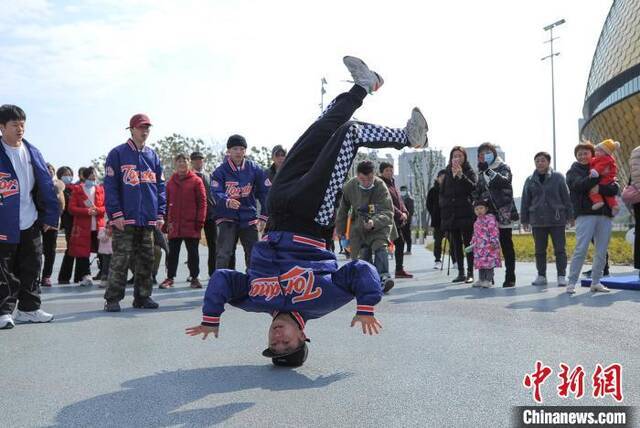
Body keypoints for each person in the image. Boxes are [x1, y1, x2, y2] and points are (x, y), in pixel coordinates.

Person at [186, 56, 428, 366]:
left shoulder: (255, 300)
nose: (277, 338)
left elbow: (222, 278)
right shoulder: (324, 301)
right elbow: (360, 271)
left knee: (318, 130)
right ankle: (410, 138)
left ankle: (364, 86)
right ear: (303, 337)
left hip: (277, 212)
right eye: (286, 344)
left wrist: (211, 316)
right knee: (349, 135)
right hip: (314, 220)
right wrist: (366, 306)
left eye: (273, 344)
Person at [0, 104, 57, 329]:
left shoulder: (33, 152)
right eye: (15, 125)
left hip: (31, 220)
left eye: (23, 124)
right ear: (2, 127)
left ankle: (29, 309)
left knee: (32, 265)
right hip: (4, 221)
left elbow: (45, 186)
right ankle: (4, 312)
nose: (20, 129)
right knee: (4, 270)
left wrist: (50, 217)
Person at [103, 113, 166, 312]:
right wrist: (116, 214)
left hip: (148, 218)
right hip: (125, 218)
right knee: (120, 260)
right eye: (140, 127)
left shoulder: (152, 155)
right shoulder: (118, 154)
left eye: (147, 127)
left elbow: (160, 186)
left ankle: (142, 297)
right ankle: (112, 299)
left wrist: (160, 213)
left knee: (147, 259)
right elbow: (110, 187)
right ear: (131, 129)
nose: (144, 131)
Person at [565, 141, 619, 294]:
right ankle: (571, 282)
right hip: (586, 214)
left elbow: (614, 187)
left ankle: (596, 281)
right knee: (581, 249)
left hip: (605, 214)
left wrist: (600, 187)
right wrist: (598, 176)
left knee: (601, 250)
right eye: (579, 154)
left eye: (586, 153)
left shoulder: (604, 164)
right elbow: (579, 185)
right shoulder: (574, 171)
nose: (582, 156)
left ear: (593, 154)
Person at [211, 134, 271, 270]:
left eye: (241, 149)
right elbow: (215, 192)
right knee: (224, 254)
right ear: (228, 151)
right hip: (227, 218)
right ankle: (222, 284)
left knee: (253, 254)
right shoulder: (220, 171)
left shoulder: (254, 169)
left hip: (248, 218)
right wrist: (227, 201)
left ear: (245, 151)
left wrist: (264, 215)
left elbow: (265, 192)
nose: (238, 152)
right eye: (235, 149)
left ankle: (253, 285)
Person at [336, 160, 396, 293]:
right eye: (362, 179)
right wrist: (340, 230)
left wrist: (373, 222)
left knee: (380, 246)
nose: (366, 182)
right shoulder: (349, 187)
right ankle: (368, 279)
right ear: (357, 176)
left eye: (369, 179)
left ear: (374, 175)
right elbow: (342, 210)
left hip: (380, 223)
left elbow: (388, 211)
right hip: (359, 224)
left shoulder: (380, 186)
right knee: (363, 253)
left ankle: (384, 276)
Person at [520, 152, 573, 286]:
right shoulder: (530, 179)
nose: (540, 163)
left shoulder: (558, 177)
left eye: (542, 160)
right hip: (537, 220)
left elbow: (566, 198)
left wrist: (571, 216)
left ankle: (561, 276)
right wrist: (524, 220)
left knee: (560, 249)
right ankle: (541, 276)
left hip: (557, 219)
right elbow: (525, 200)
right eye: (537, 161)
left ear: (548, 162)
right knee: (539, 250)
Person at [472, 142, 519, 287]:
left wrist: (488, 171)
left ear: (493, 153)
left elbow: (504, 182)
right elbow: (478, 191)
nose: (484, 156)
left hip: (503, 212)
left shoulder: (503, 167)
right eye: (481, 154)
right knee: (486, 246)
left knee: (506, 244)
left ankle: (510, 276)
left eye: (487, 152)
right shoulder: (480, 172)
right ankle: (487, 277)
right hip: (487, 214)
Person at [160, 154, 207, 289]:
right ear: (175, 163)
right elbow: (166, 202)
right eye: (179, 161)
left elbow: (202, 203)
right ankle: (170, 278)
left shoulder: (196, 181)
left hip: (192, 224)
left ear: (189, 163)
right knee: (172, 253)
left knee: (193, 253)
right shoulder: (170, 183)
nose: (182, 163)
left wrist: (200, 221)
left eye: (184, 161)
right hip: (174, 225)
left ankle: (194, 278)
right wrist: (165, 221)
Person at [439, 147, 477, 283]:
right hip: (452, 214)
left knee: (468, 244)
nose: (457, 158)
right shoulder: (447, 172)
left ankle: (470, 272)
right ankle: (460, 271)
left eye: (459, 156)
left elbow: (473, 188)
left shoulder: (469, 171)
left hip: (466, 213)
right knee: (456, 244)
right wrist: (444, 208)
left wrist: (461, 176)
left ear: (464, 157)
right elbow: (442, 193)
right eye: (454, 156)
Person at [68, 167, 106, 286]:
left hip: (99, 226)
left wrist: (98, 210)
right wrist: (87, 211)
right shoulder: (78, 190)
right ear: (84, 177)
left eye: (94, 174)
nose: (93, 177)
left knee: (103, 252)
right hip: (83, 227)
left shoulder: (100, 189)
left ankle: (105, 276)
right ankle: (86, 276)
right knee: (82, 253)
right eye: (90, 175)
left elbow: (106, 207)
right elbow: (71, 208)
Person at [379, 162, 413, 279]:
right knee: (381, 246)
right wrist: (400, 214)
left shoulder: (392, 184)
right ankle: (381, 273)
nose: (389, 172)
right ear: (381, 172)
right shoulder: (381, 184)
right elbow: (388, 203)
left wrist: (405, 212)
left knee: (399, 242)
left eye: (391, 170)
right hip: (386, 220)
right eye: (386, 170)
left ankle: (399, 270)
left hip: (396, 220)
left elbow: (399, 201)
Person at [190, 151, 217, 278]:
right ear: (191, 162)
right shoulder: (189, 177)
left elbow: (213, 195)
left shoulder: (209, 176)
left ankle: (213, 273)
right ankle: (193, 274)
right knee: (193, 245)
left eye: (200, 159)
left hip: (210, 215)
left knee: (214, 244)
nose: (198, 162)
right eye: (195, 160)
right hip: (194, 216)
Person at [40, 163, 65, 287]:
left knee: (50, 251)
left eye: (52, 170)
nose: (50, 171)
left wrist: (51, 221)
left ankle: (46, 276)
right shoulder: (37, 184)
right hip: (37, 221)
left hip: (53, 223)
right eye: (47, 169)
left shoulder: (58, 185)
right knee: (35, 251)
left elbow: (61, 205)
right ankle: (34, 276)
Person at [57, 166, 81, 284]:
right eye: (65, 174)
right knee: (71, 248)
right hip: (68, 221)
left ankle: (79, 276)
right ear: (60, 175)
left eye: (70, 174)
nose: (68, 176)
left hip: (79, 222)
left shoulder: (75, 189)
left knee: (80, 249)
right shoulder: (59, 188)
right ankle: (64, 277)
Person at [469, 200, 501, 288]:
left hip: (489, 246)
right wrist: (473, 242)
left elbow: (494, 231)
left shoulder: (490, 219)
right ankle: (481, 279)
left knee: (489, 264)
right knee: (481, 264)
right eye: (476, 209)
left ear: (486, 209)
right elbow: (475, 234)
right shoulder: (476, 222)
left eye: (481, 208)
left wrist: (494, 241)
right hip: (479, 248)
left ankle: (488, 280)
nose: (479, 211)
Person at [588, 139, 620, 215]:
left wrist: (595, 171)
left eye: (600, 151)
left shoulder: (606, 158)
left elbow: (600, 166)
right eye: (596, 151)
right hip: (607, 180)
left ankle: (598, 201)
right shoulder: (602, 158)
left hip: (605, 179)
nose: (597, 152)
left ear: (606, 152)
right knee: (608, 195)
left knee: (592, 190)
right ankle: (614, 205)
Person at [426, 169, 448, 270]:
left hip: (449, 219)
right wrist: (434, 213)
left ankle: (456, 260)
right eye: (441, 178)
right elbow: (428, 205)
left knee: (453, 240)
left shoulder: (450, 189)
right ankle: (437, 260)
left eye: (445, 178)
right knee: (438, 241)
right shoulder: (433, 190)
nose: (443, 180)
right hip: (438, 221)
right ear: (437, 178)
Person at [400, 185, 414, 254]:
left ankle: (409, 250)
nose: (402, 192)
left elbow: (411, 211)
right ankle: (401, 250)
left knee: (407, 235)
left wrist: (407, 219)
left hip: (407, 221)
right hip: (400, 220)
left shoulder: (410, 199)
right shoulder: (399, 198)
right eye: (401, 190)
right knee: (401, 236)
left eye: (404, 190)